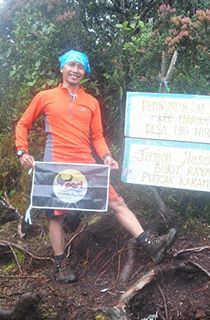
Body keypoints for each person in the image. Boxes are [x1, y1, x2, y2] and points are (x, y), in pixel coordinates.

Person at [15, 49, 177, 283]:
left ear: (84, 72)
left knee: (117, 202)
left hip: (86, 167)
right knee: (56, 216)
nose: (75, 70)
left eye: (80, 67)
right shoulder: (45, 96)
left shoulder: (91, 102)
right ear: (62, 68)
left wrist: (107, 157)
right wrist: (22, 151)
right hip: (56, 166)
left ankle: (150, 245)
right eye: (71, 65)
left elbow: (97, 137)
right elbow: (23, 124)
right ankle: (60, 266)